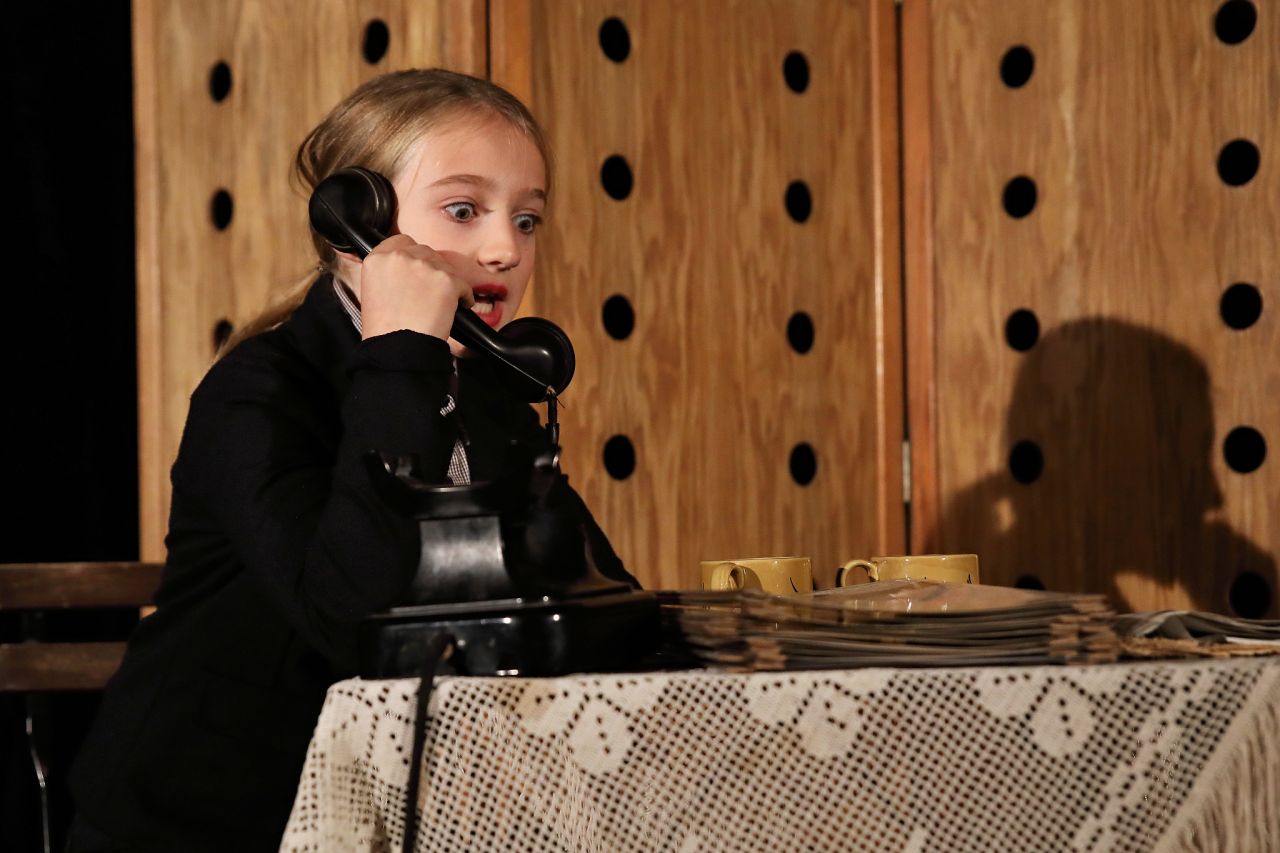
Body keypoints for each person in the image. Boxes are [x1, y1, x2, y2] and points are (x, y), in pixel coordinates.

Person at [67, 68, 638, 852]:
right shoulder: (257, 392)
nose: (505, 248)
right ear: (355, 222)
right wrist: (400, 351)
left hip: (409, 819)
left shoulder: (490, 396)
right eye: (464, 210)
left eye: (528, 219)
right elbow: (351, 616)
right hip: (207, 825)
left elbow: (597, 594)